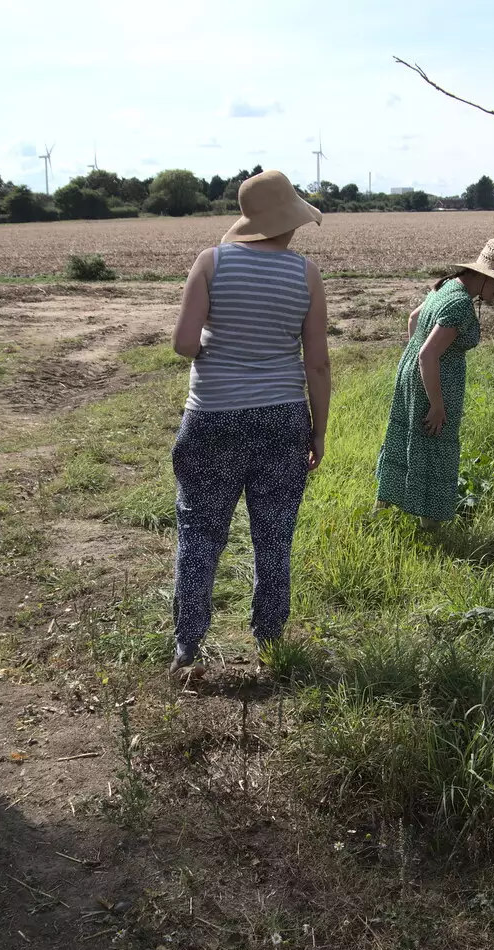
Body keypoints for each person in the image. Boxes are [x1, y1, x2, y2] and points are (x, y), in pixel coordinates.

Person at [168, 169, 331, 682]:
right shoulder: (305, 274)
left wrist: (216, 347)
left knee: (200, 533)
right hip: (282, 419)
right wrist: (318, 430)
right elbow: (318, 363)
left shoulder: (210, 262)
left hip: (212, 417)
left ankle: (187, 649)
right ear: (290, 220)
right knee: (273, 538)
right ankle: (270, 645)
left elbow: (184, 343)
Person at [375, 238, 494, 525]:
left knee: (406, 436)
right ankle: (430, 526)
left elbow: (414, 319)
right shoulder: (460, 304)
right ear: (485, 277)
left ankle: (382, 512)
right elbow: (428, 354)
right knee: (435, 447)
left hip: (414, 372)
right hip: (432, 382)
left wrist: (416, 364)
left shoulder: (448, 286)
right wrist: (436, 403)